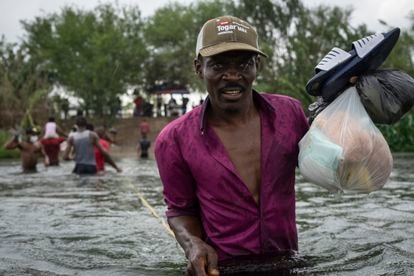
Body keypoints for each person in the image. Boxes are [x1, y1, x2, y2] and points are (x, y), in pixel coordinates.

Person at [154, 15, 309, 275]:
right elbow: (180, 209)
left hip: (289, 262)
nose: (233, 76)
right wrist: (193, 245)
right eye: (218, 65)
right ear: (198, 67)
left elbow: (325, 166)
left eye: (244, 64)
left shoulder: (289, 114)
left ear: (257, 65)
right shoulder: (174, 139)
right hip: (223, 269)